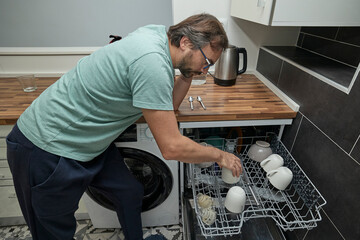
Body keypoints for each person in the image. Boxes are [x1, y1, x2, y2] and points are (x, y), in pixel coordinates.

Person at [6, 13, 242, 240]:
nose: (206, 70)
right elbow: (171, 147)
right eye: (207, 62)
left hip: (90, 143)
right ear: (185, 41)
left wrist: (189, 72)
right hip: (47, 146)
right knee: (54, 233)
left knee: (128, 192)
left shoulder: (158, 36)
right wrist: (219, 155)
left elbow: (168, 105)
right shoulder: (152, 63)